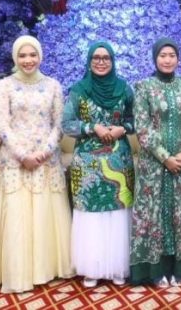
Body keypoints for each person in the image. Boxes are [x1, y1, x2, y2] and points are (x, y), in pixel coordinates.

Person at [0, 35, 73, 293]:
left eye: (33, 55)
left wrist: (42, 153)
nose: (28, 60)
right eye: (22, 55)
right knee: (17, 217)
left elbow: (59, 125)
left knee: (44, 214)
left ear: (40, 56)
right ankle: (18, 271)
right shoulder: (3, 86)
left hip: (46, 161)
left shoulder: (53, 85)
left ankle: (46, 269)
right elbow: (2, 124)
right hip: (14, 160)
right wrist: (23, 155)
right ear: (15, 58)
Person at [63, 42, 135, 288]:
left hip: (118, 160)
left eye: (106, 58)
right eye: (96, 57)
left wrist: (122, 128)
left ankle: (117, 266)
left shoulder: (124, 89)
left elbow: (137, 120)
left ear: (113, 61)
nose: (101, 62)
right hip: (88, 163)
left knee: (117, 213)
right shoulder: (79, 90)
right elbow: (67, 124)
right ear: (89, 61)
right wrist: (92, 127)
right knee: (91, 215)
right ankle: (91, 268)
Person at [130, 38, 181, 287]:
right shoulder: (144, 87)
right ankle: (155, 270)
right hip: (153, 165)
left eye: (172, 55)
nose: (167, 60)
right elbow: (142, 127)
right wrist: (165, 157)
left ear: (178, 59)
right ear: (154, 58)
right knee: (154, 215)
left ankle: (180, 269)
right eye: (162, 55)